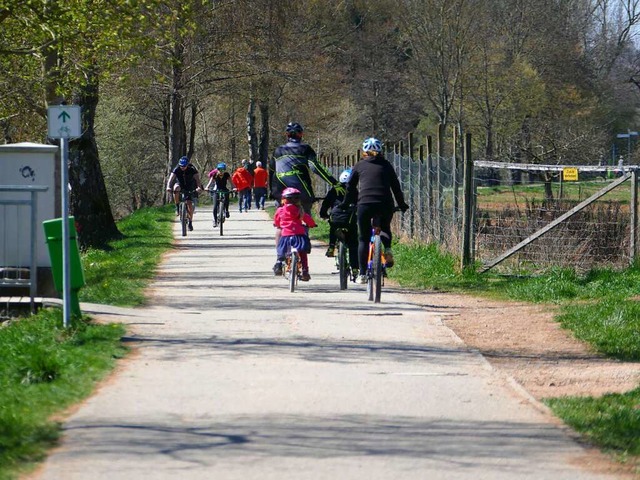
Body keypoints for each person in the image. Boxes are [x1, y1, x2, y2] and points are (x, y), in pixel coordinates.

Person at [341, 137, 408, 285]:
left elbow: (350, 188)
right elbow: (395, 187)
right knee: (385, 227)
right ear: (380, 151)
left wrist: (346, 203)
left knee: (364, 238)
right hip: (385, 203)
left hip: (365, 204)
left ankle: (363, 274)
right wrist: (402, 204)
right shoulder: (386, 165)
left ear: (364, 152)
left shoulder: (359, 166)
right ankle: (388, 249)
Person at [269, 122, 341, 214]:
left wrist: (272, 191)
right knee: (306, 215)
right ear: (301, 134)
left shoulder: (277, 151)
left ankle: (280, 226)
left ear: (287, 135)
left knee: (280, 216)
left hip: (280, 191)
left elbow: (271, 171)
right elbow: (315, 167)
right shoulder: (305, 149)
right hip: (302, 191)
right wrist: (334, 182)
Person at [272, 187, 317, 281]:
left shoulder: (280, 210)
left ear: (284, 199)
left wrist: (277, 224)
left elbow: (276, 222)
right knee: (303, 253)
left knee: (282, 250)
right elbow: (308, 220)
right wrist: (312, 224)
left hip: (286, 236)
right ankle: (305, 271)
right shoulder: (300, 210)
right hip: (299, 236)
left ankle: (279, 264)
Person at [319, 169, 359, 275]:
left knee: (333, 226)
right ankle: (355, 268)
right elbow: (358, 204)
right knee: (353, 244)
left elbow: (325, 204)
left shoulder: (333, 190)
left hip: (336, 217)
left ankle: (331, 246)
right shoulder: (354, 191)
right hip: (349, 219)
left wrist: (323, 214)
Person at [166, 156, 203, 231]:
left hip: (190, 186)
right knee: (176, 188)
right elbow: (171, 179)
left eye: (184, 166)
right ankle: (177, 206)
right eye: (181, 166)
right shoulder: (176, 169)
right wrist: (168, 187)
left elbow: (197, 180)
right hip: (180, 184)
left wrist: (198, 187)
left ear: (187, 165)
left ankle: (190, 222)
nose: (182, 167)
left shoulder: (192, 169)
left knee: (189, 204)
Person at [204, 162, 233, 227]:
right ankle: (215, 220)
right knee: (215, 206)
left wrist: (234, 187)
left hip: (224, 189)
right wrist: (207, 187)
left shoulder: (226, 175)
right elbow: (210, 182)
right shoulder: (215, 175)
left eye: (223, 169)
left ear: (224, 170)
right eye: (219, 169)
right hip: (217, 190)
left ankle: (227, 210)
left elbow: (231, 182)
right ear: (217, 169)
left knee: (227, 197)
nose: (221, 171)